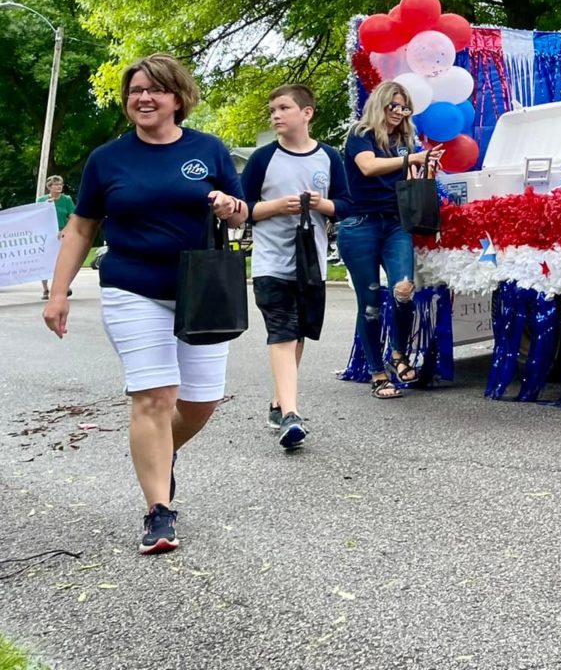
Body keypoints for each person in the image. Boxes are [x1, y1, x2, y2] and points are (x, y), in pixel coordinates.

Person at [42, 55, 247, 555]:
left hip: (200, 295)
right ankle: (159, 511)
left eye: (156, 90)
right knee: (154, 397)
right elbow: (82, 228)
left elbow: (242, 217)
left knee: (200, 402)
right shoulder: (107, 160)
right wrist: (58, 291)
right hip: (131, 288)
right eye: (135, 90)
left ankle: (157, 452)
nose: (144, 98)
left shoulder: (209, 150)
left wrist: (229, 206)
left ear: (179, 98)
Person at [241, 84, 350, 450]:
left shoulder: (330, 157)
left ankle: (277, 402)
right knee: (283, 331)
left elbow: (348, 205)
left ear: (306, 113)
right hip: (271, 262)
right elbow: (242, 211)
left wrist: (324, 205)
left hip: (311, 262)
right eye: (272, 109)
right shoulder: (261, 159)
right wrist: (276, 207)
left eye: (283, 108)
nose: (275, 115)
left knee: (298, 333)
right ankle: (291, 414)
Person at [337, 81, 442, 400]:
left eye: (404, 107)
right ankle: (377, 373)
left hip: (396, 223)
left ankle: (398, 353)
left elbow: (409, 182)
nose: (398, 113)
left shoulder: (405, 140)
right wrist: (411, 159)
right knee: (369, 304)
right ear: (380, 104)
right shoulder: (360, 133)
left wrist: (426, 168)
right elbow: (368, 167)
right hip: (359, 224)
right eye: (393, 106)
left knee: (404, 289)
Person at [37, 175, 75, 301]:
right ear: (49, 187)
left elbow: (73, 218)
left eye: (61, 184)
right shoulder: (42, 200)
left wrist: (65, 230)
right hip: (46, 235)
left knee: (63, 262)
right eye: (56, 184)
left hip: (62, 234)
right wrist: (46, 207)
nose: (59, 187)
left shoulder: (67, 200)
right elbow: (36, 218)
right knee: (46, 261)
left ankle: (64, 287)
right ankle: (45, 289)